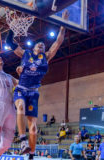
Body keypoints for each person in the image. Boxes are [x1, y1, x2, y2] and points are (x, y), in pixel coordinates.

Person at [6, 9, 69, 159]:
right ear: (34, 47)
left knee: (33, 128)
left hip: (34, 92)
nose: (42, 46)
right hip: (21, 89)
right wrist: (12, 27)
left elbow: (58, 41)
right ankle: (22, 141)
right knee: (20, 107)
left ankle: (32, 155)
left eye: (43, 46)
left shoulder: (46, 57)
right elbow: (9, 42)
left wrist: (63, 25)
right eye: (39, 45)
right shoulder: (25, 54)